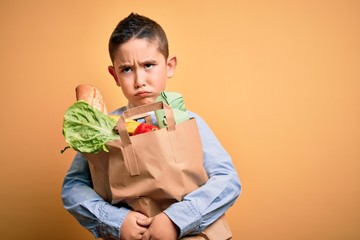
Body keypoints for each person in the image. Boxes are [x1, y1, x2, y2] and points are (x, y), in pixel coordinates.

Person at [62, 12, 241, 240]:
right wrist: (116, 221)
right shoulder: (103, 129)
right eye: (127, 69)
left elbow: (228, 180)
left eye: (148, 65)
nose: (139, 81)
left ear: (169, 66)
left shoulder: (187, 121)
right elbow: (73, 186)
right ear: (114, 75)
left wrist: (176, 220)